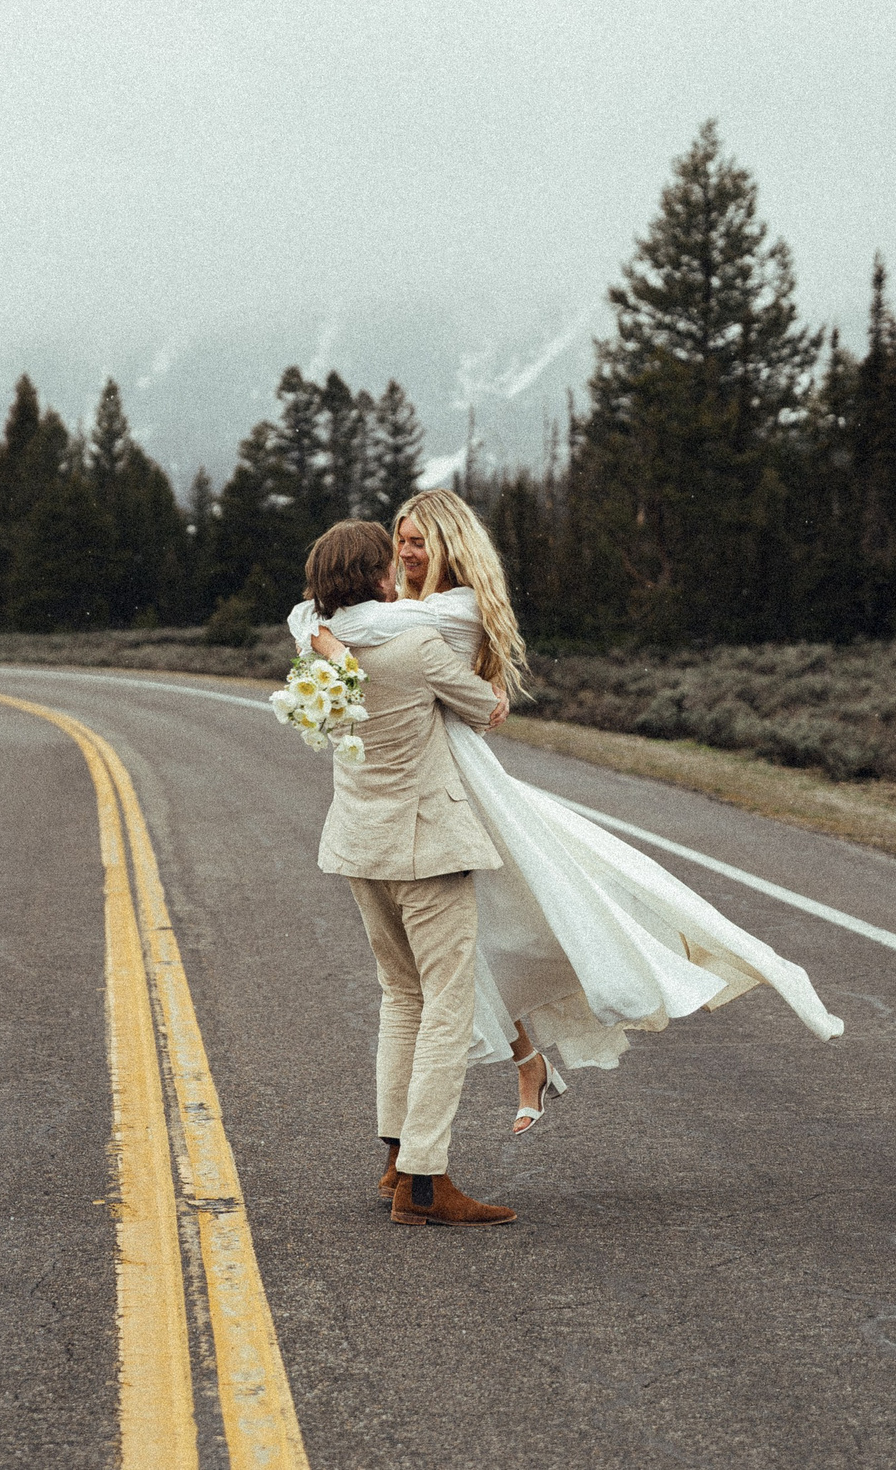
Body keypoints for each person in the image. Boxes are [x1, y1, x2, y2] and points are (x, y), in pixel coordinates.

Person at [292, 489, 844, 1141]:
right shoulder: (405, 609)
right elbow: (355, 630)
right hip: (433, 784)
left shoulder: (448, 610)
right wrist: (317, 628)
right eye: (399, 541)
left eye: (417, 541)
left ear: (446, 544)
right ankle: (516, 1072)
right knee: (480, 942)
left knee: (519, 925)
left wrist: (315, 629)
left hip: (456, 793)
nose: (405, 552)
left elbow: (356, 630)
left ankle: (447, 1132)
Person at [303, 519, 519, 1228]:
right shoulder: (414, 644)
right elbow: (485, 707)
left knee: (401, 996)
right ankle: (425, 1181)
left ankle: (396, 1156)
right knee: (446, 1006)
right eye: (389, 566)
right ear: (377, 578)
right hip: (427, 847)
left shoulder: (317, 641)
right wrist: (495, 688)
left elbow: (309, 619)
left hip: (362, 845)